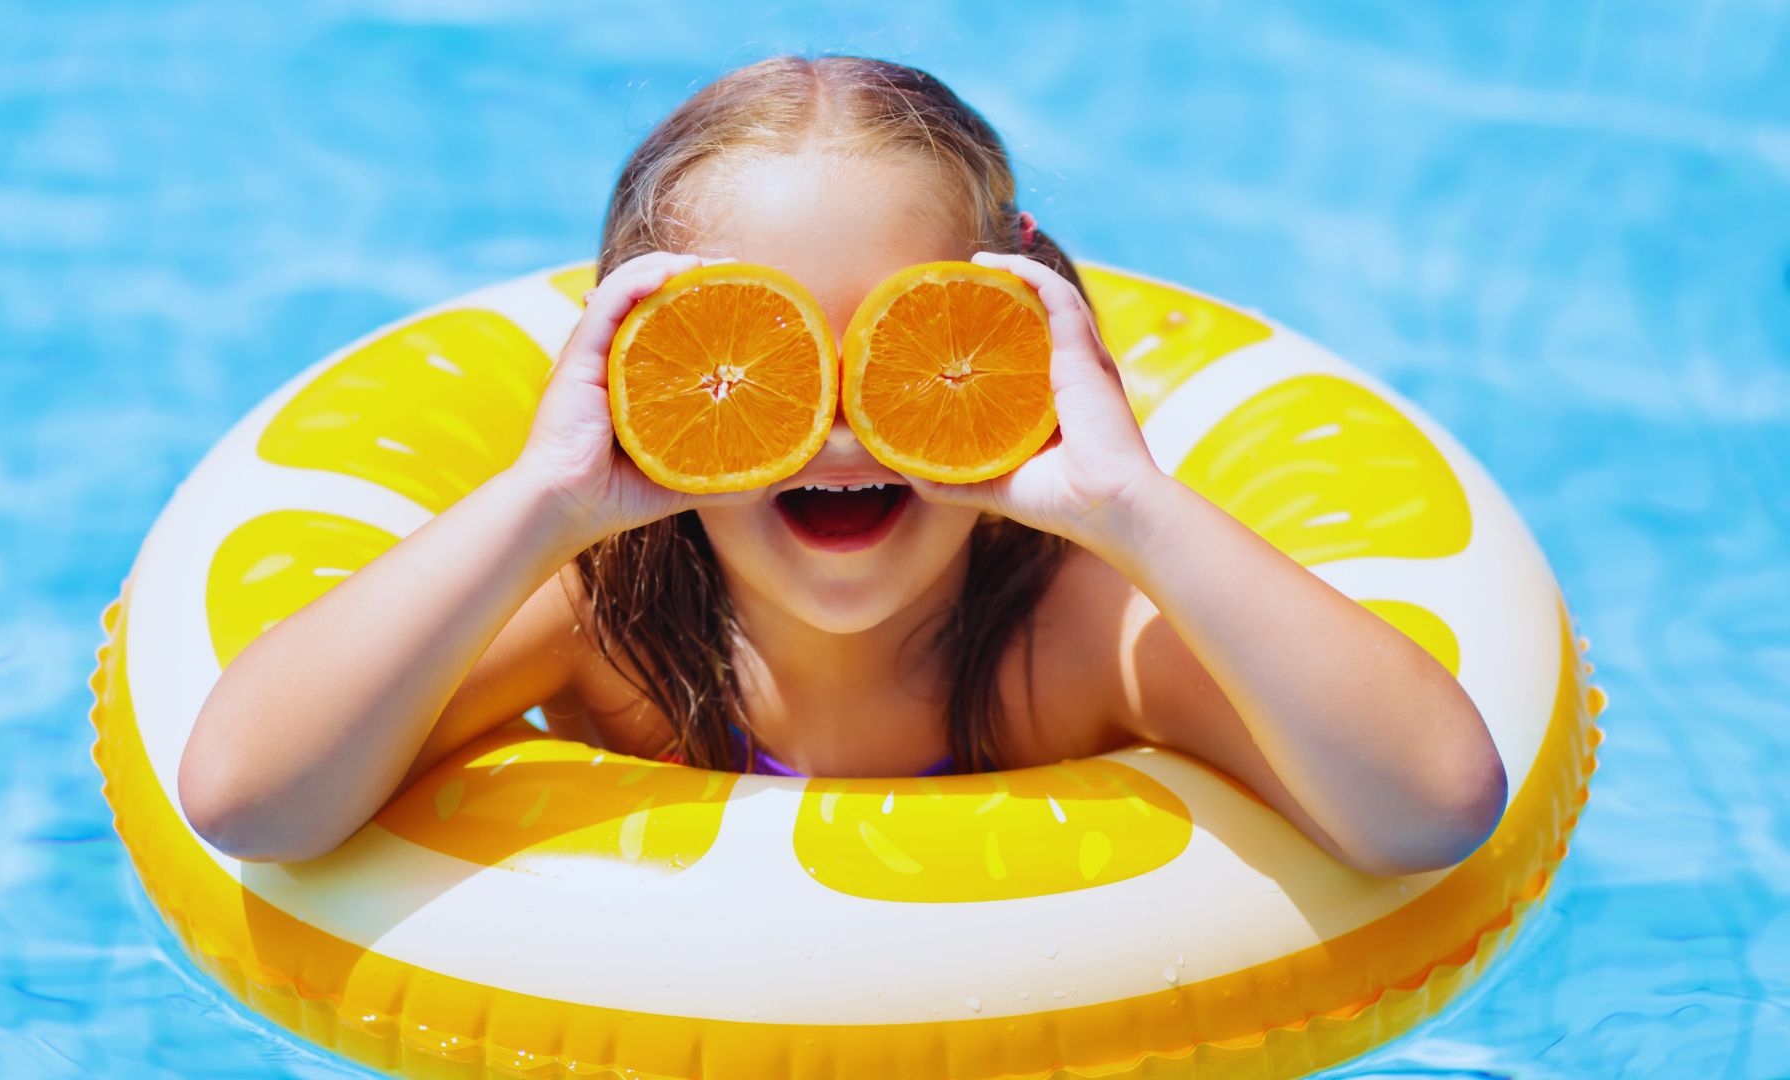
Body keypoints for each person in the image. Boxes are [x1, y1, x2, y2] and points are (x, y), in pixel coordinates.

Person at [179, 55, 1504, 876]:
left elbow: (1428, 811)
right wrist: (541, 503)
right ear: (637, 363)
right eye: (752, 354)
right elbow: (251, 801)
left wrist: (1136, 512)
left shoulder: (1082, 636)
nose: (838, 425)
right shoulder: (609, 619)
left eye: (905, 341)